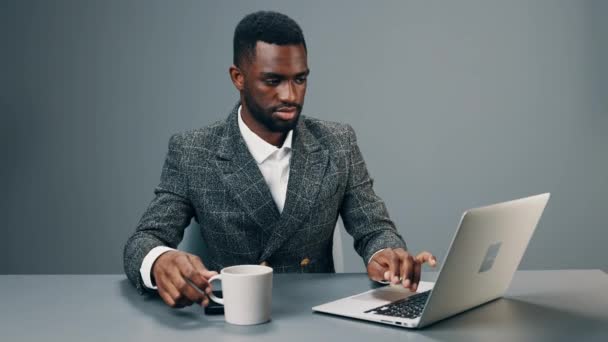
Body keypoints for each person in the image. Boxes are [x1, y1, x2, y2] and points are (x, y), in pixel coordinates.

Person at [123, 10, 436, 309]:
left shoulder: (338, 143)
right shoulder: (194, 151)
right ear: (238, 77)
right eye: (273, 81)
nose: (290, 95)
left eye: (300, 79)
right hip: (230, 319)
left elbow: (374, 227)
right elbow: (145, 238)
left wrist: (385, 254)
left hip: (319, 318)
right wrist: (160, 261)